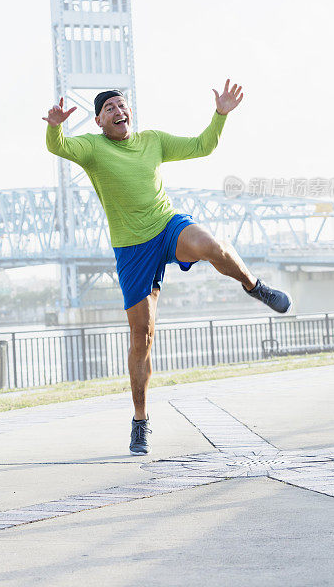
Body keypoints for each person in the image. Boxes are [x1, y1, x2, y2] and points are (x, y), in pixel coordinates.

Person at [43, 81, 291, 455]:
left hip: (166, 225)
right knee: (141, 336)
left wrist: (220, 114)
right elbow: (57, 146)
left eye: (121, 105)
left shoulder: (153, 141)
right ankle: (140, 421)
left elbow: (202, 146)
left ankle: (255, 286)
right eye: (109, 108)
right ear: (98, 120)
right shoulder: (92, 149)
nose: (117, 111)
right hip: (131, 248)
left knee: (212, 245)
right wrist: (55, 125)